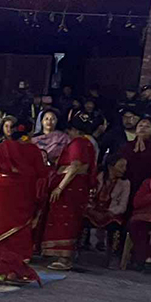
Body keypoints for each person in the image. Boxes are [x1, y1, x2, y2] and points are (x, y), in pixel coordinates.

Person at [0, 117, 50, 281]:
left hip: (3, 188)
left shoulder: (3, 146)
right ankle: (21, 255)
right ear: (29, 132)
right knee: (21, 222)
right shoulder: (34, 149)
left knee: (3, 220)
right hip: (24, 189)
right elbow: (42, 172)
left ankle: (0, 252)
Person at [40, 112, 99, 270]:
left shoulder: (78, 143)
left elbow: (75, 166)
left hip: (70, 188)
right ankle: (62, 256)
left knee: (65, 220)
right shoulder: (86, 143)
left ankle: (64, 257)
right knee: (68, 219)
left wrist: (60, 187)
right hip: (75, 187)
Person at [84, 156, 131, 258]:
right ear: (110, 166)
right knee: (82, 218)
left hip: (111, 212)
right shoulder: (98, 177)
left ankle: (112, 255)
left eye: (125, 167)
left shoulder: (125, 183)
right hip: (94, 209)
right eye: (121, 166)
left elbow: (122, 206)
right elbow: (88, 196)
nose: (124, 169)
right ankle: (79, 248)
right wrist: (91, 208)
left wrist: (109, 212)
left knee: (115, 225)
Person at [116, 117, 151, 195]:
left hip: (146, 184)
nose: (143, 128)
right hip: (126, 183)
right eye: (140, 126)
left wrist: (143, 152)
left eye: (147, 126)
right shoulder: (128, 145)